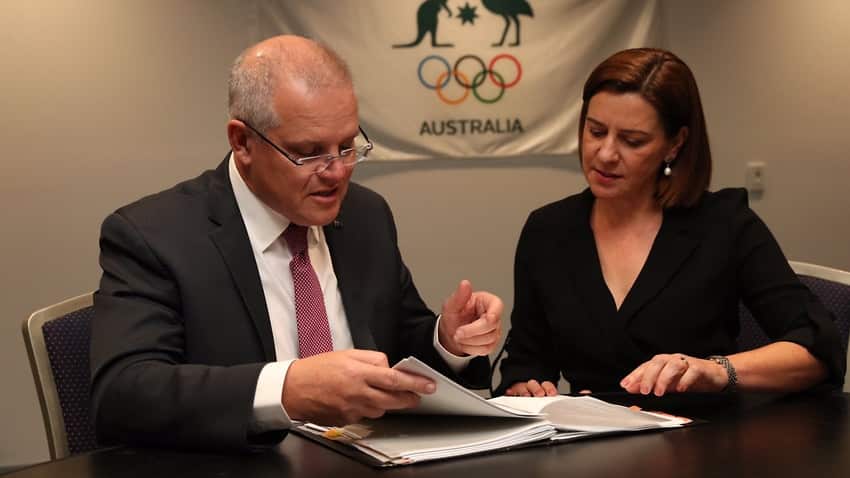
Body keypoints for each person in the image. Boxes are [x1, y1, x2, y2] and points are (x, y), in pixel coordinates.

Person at [90, 35, 503, 451]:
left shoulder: (366, 216)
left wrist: (446, 342)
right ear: (242, 141)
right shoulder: (156, 235)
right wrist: (286, 389)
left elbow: (396, 353)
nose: (337, 172)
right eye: (309, 153)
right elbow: (125, 393)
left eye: (347, 146)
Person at [497, 48, 845, 398]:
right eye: (596, 131)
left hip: (700, 440)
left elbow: (817, 346)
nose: (605, 154)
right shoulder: (548, 230)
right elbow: (527, 358)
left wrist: (717, 370)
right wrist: (524, 385)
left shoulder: (724, 224)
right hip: (586, 442)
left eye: (633, 141)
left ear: (675, 144)